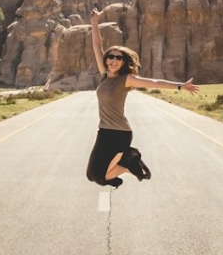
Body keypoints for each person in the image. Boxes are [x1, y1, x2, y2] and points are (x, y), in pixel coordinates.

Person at [86, 10, 201, 188]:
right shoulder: (104, 75)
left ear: (124, 62)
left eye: (118, 58)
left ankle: (129, 164)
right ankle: (127, 163)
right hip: (104, 132)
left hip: (119, 134)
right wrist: (94, 21)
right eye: (111, 57)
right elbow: (97, 45)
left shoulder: (126, 80)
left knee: (100, 177)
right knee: (91, 175)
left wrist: (180, 86)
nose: (113, 60)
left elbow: (154, 82)